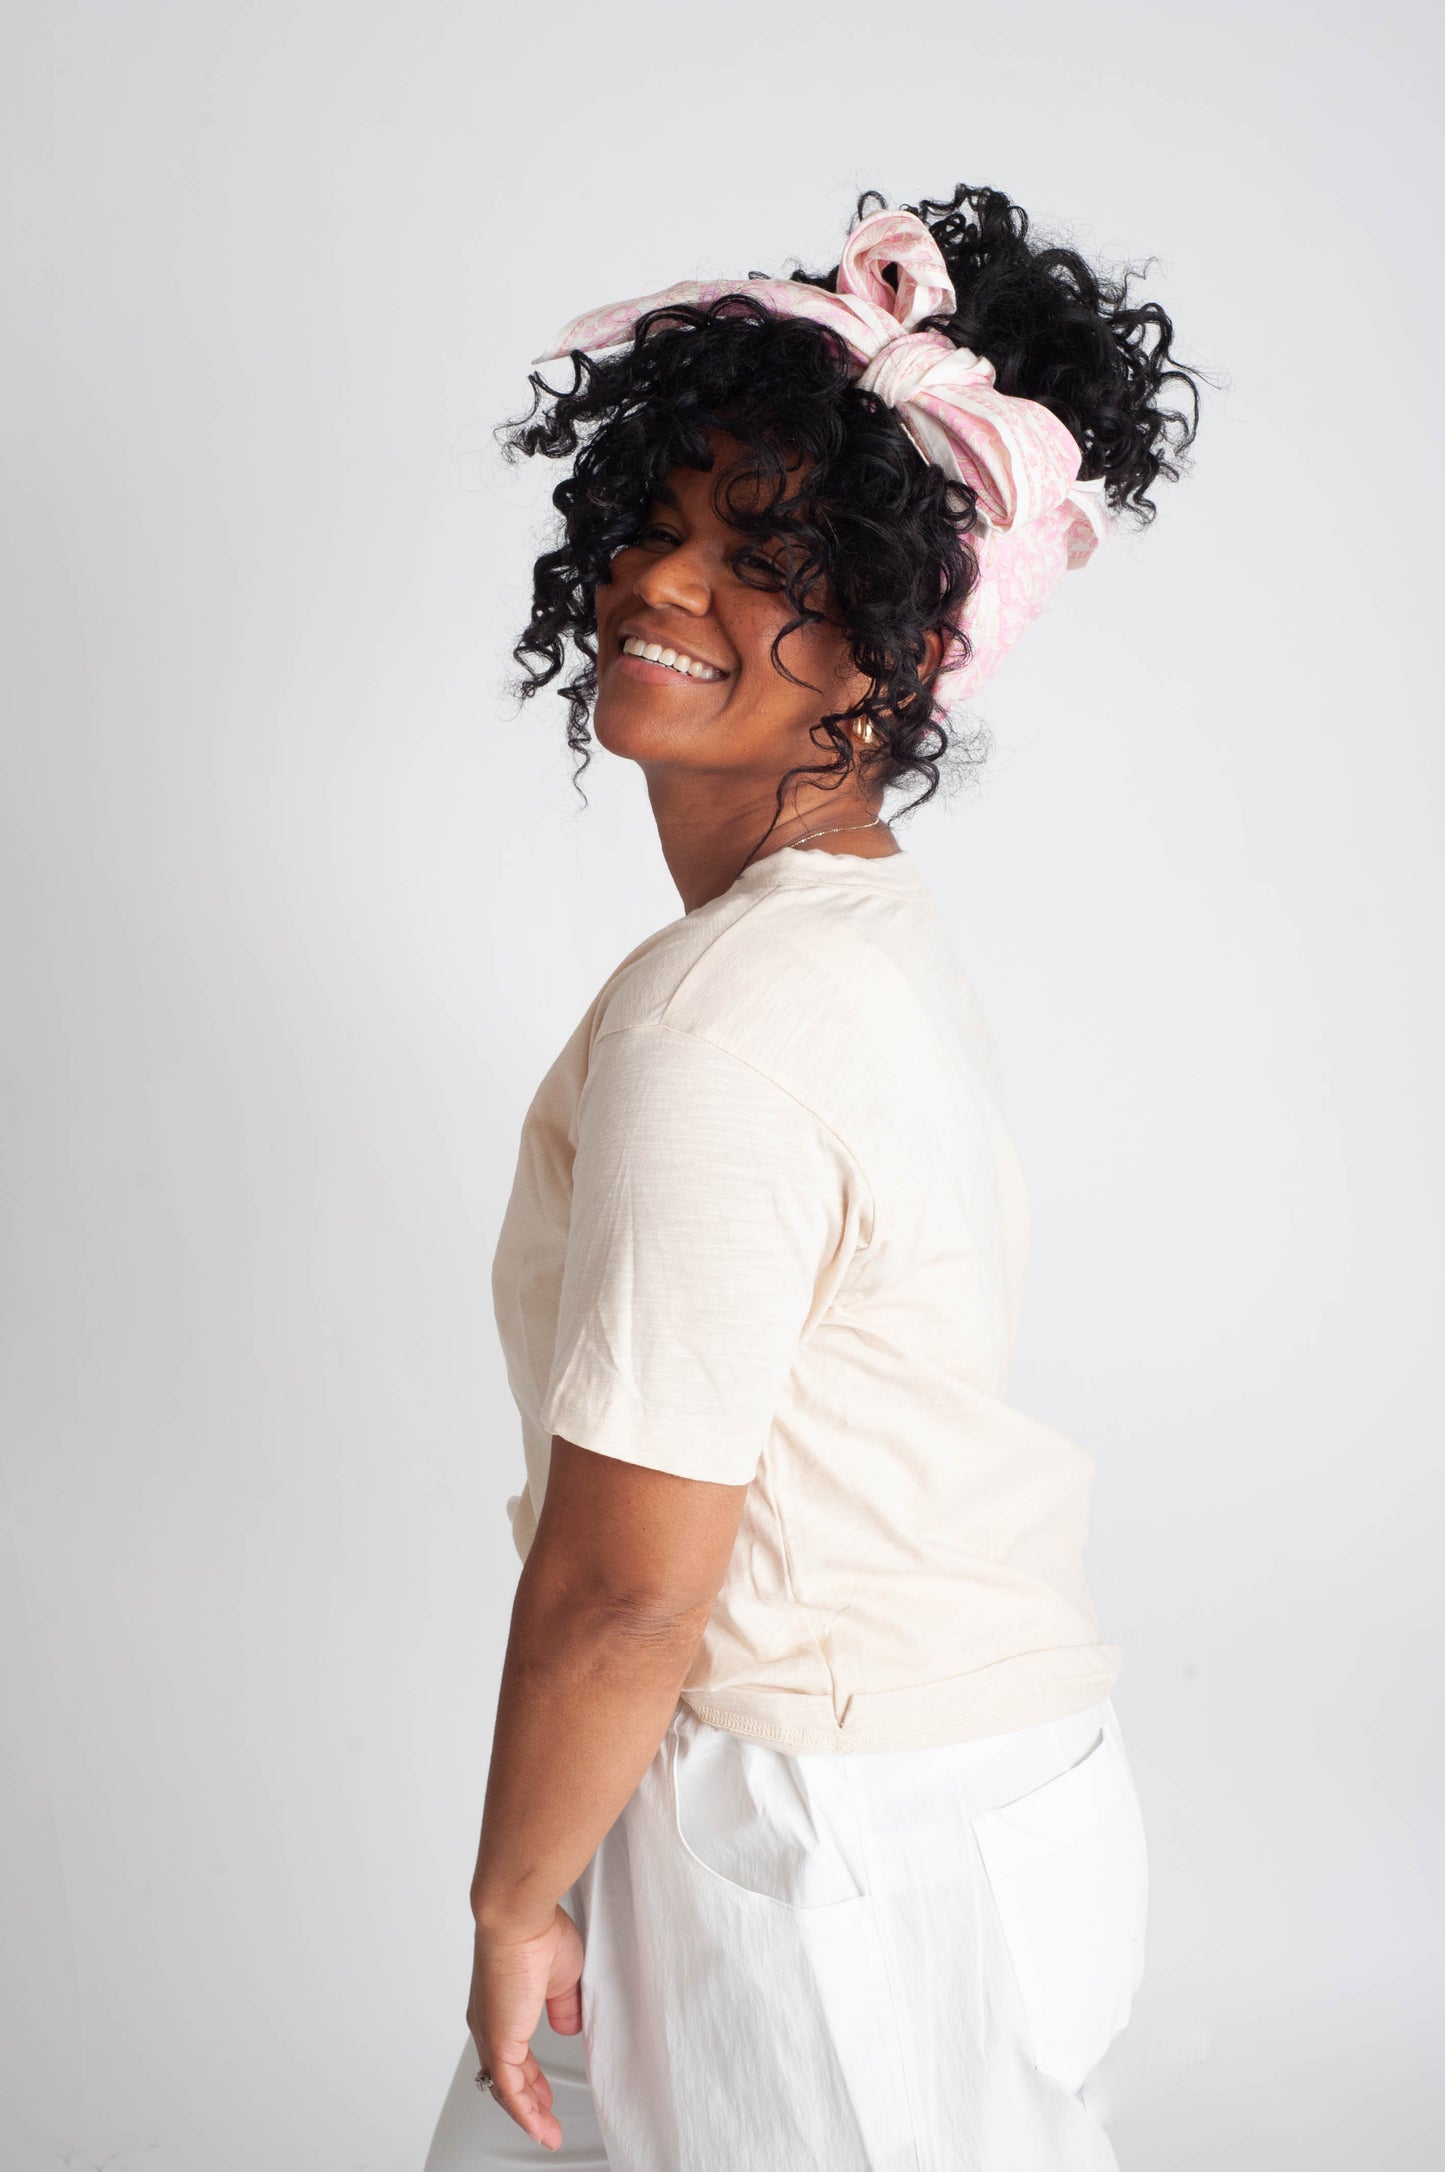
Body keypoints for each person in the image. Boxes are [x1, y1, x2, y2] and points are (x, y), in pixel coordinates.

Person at [424, 182, 1201, 2171]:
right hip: (942, 1803)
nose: (663, 585)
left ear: (899, 643)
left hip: (826, 1841)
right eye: (656, 522)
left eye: (766, 557)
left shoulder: (726, 1013)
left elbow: (626, 1586)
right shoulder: (852, 938)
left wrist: (514, 1899)